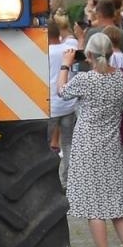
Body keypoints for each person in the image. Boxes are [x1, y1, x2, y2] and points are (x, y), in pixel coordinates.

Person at [58, 32, 123, 247]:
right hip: (114, 146)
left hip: (88, 147)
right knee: (118, 205)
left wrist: (65, 64)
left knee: (95, 207)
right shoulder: (120, 78)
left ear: (89, 55)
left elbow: (61, 91)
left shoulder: (85, 79)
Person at [47, 15, 80, 185]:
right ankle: (66, 180)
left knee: (45, 144)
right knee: (68, 144)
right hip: (69, 104)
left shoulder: (43, 52)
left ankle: (47, 179)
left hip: (51, 105)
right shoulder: (70, 49)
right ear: (59, 34)